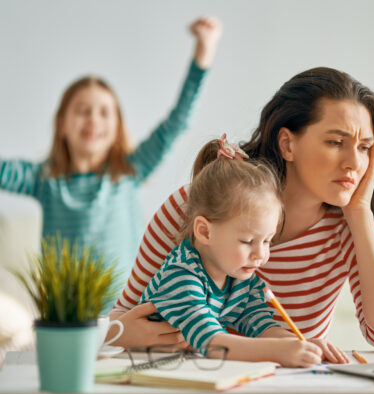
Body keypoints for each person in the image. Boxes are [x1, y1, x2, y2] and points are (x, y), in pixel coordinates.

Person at [109, 66, 374, 354]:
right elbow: (121, 317)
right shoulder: (193, 207)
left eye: (364, 148)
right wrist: (123, 334)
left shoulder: (349, 227)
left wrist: (360, 213)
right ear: (287, 144)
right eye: (336, 142)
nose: (354, 163)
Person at [0, 17, 222, 311]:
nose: (93, 119)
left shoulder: (129, 171)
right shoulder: (44, 179)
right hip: (66, 317)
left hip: (125, 314)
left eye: (104, 112)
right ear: (62, 125)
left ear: (117, 128)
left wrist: (203, 54)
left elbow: (177, 123)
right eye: (82, 111)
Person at [139, 134, 348, 367]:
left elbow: (262, 327)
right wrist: (279, 351)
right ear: (205, 232)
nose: (261, 255)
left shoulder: (238, 278)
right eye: (248, 241)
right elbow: (211, 343)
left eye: (267, 241)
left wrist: (303, 344)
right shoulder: (181, 277)